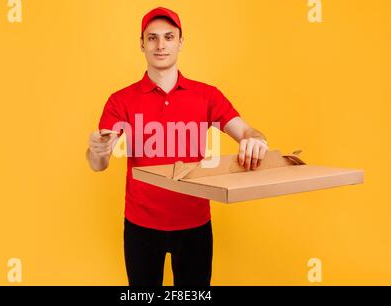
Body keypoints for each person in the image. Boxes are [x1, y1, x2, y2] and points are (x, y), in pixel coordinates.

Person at [86, 7, 269, 286]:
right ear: (141, 44)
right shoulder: (120, 100)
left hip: (195, 224)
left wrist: (256, 140)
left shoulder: (207, 95)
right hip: (141, 226)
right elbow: (99, 163)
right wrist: (97, 151)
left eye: (169, 37)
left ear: (181, 42)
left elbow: (246, 131)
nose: (161, 45)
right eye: (152, 38)